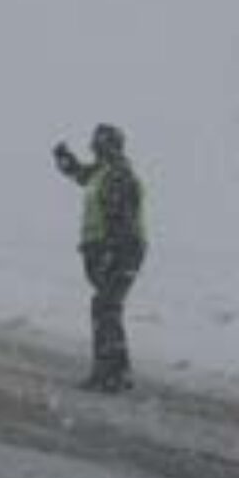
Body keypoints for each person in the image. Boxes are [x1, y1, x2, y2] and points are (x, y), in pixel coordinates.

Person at [53, 124, 147, 393]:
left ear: (109, 145)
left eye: (98, 143)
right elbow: (83, 175)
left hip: (121, 250)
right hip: (109, 250)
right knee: (107, 307)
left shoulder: (120, 175)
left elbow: (124, 220)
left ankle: (109, 374)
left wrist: (110, 250)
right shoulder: (104, 172)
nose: (94, 148)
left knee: (105, 306)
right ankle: (117, 371)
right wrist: (67, 162)